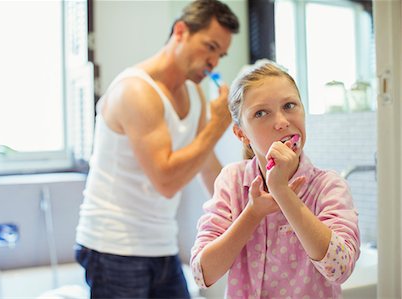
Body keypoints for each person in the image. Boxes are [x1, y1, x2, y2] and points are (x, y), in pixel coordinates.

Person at [75, 1, 239, 298]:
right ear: (180, 32)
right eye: (210, 46)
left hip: (162, 245)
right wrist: (217, 126)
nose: (214, 61)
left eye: (221, 54)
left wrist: (244, 211)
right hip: (113, 247)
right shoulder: (136, 90)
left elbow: (207, 165)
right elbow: (166, 181)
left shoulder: (194, 94)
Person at [190, 60, 360, 298]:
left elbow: (339, 269)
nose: (282, 122)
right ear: (242, 134)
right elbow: (202, 274)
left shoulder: (328, 186)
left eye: (290, 105)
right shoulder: (232, 181)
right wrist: (252, 213)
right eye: (261, 113)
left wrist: (282, 191)